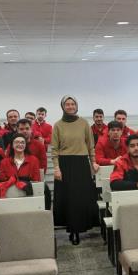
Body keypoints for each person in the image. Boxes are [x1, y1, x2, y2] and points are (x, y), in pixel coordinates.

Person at [52, 96, 100, 245]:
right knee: (68, 198)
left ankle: (79, 228)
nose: (70, 106)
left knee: (80, 197)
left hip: (81, 164)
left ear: (76, 106)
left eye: (73, 104)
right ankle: (71, 230)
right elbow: (54, 149)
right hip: (65, 164)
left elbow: (90, 145)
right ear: (63, 107)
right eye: (67, 104)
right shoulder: (57, 125)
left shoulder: (84, 123)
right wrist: (56, 168)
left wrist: (93, 162)